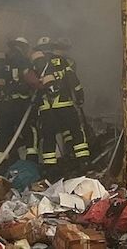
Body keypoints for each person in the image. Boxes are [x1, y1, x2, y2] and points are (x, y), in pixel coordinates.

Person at [32, 36, 90, 174]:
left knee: (49, 136)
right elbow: (73, 81)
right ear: (52, 48)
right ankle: (83, 162)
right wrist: (80, 97)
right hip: (64, 104)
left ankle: (50, 168)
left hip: (46, 108)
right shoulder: (62, 61)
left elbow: (31, 87)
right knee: (76, 131)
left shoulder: (35, 67)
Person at [0, 37, 40, 167]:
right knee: (30, 131)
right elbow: (30, 78)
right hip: (20, 103)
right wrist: (40, 85)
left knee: (3, 133)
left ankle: (0, 168)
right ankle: (32, 164)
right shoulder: (21, 58)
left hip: (4, 104)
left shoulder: (3, 60)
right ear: (23, 47)